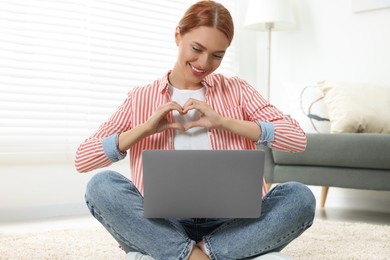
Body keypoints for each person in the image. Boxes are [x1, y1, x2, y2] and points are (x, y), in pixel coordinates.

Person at [75, 1, 316, 259]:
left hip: (233, 224)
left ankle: (189, 253)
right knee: (100, 186)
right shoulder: (139, 98)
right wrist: (144, 129)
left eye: (217, 55)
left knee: (300, 197)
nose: (204, 63)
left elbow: (297, 139)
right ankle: (199, 253)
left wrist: (225, 122)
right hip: (167, 223)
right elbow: (83, 159)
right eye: (197, 49)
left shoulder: (237, 90)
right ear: (178, 35)